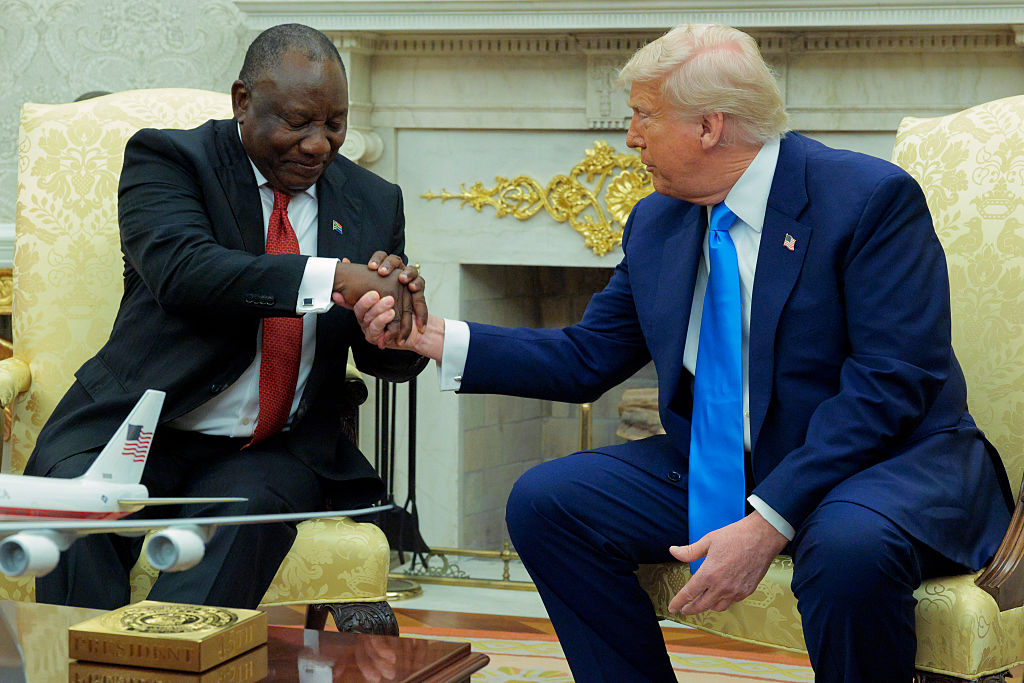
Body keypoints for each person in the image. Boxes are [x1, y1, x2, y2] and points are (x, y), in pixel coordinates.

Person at [354, 23, 1015, 683]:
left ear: (709, 126)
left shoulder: (867, 198)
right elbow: (586, 356)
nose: (630, 137)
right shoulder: (658, 220)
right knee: (549, 502)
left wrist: (767, 521)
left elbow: (890, 385)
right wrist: (429, 335)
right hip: (737, 459)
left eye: (643, 115)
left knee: (849, 550)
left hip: (883, 464)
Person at [26, 23, 427, 610]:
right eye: (298, 122)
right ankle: (78, 657)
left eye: (334, 124)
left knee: (239, 525)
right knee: (77, 511)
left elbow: (384, 360)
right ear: (243, 101)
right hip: (141, 422)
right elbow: (184, 271)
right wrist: (335, 277)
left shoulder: (372, 199)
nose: (319, 144)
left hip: (271, 450)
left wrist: (392, 328)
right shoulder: (170, 160)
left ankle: (165, 653)